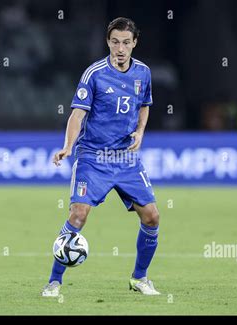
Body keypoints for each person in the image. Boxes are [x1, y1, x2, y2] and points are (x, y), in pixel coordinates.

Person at [41, 17, 160, 297]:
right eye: (115, 42)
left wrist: (141, 132)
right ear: (108, 41)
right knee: (78, 215)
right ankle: (54, 281)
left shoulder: (143, 73)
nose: (120, 48)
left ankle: (139, 278)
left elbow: (144, 105)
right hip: (94, 156)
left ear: (134, 43)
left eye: (126, 43)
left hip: (125, 159)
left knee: (152, 217)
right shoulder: (94, 73)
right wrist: (68, 146)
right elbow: (77, 114)